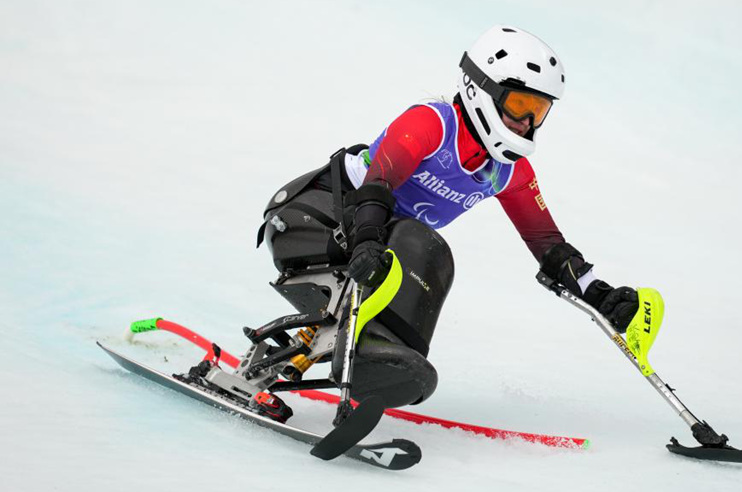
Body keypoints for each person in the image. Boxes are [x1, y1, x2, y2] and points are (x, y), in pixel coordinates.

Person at [257, 25, 640, 413]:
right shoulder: (433, 124)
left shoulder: (509, 171)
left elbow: (548, 244)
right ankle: (369, 351)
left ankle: (376, 360)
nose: (527, 121)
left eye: (538, 110)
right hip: (313, 219)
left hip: (379, 245)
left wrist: (599, 295)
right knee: (422, 246)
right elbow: (378, 184)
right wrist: (368, 238)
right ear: (481, 89)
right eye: (519, 104)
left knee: (429, 262)